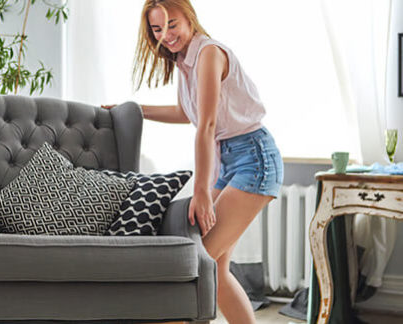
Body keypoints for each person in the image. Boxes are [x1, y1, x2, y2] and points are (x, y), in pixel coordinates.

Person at [104, 0, 283, 322]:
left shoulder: (209, 53)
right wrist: (131, 109)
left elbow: (208, 125)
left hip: (254, 158)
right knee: (216, 268)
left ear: (189, 18)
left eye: (172, 25)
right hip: (227, 159)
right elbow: (189, 113)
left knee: (196, 264)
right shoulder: (184, 61)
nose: (166, 35)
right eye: (158, 29)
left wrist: (201, 191)